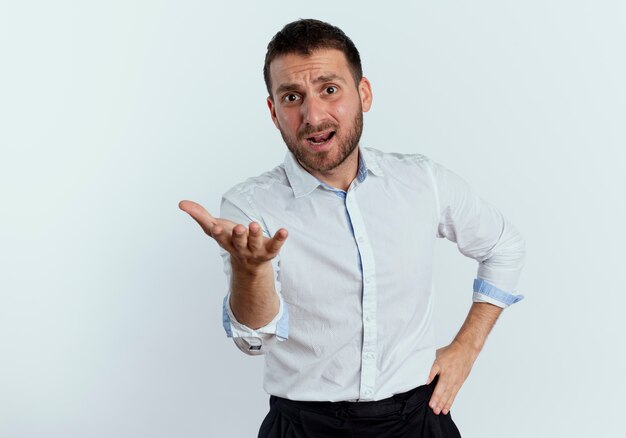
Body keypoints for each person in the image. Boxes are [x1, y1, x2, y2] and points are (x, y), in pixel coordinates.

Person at [179, 18, 525, 438]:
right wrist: (251, 272)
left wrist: (466, 349)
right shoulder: (250, 206)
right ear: (273, 112)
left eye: (329, 89)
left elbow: (503, 246)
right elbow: (254, 341)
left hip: (419, 419)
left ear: (363, 94)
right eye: (292, 97)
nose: (313, 114)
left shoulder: (422, 181)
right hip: (305, 426)